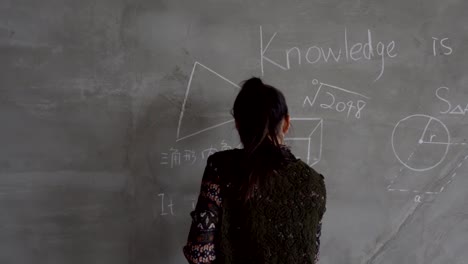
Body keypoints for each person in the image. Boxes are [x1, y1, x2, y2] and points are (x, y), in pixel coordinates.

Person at [182, 77, 327, 263]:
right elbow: (312, 256)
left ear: (238, 124)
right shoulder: (315, 183)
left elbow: (200, 253)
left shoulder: (221, 168)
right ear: (286, 123)